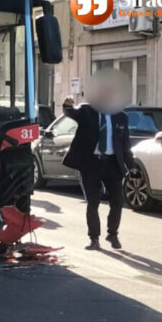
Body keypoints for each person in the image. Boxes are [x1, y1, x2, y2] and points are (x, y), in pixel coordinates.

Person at [62, 80, 135, 251]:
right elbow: (71, 113)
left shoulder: (121, 117)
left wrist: (131, 166)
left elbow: (125, 144)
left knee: (117, 201)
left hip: (112, 163)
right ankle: (94, 238)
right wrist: (66, 105)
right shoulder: (87, 111)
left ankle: (113, 233)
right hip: (91, 163)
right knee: (93, 202)